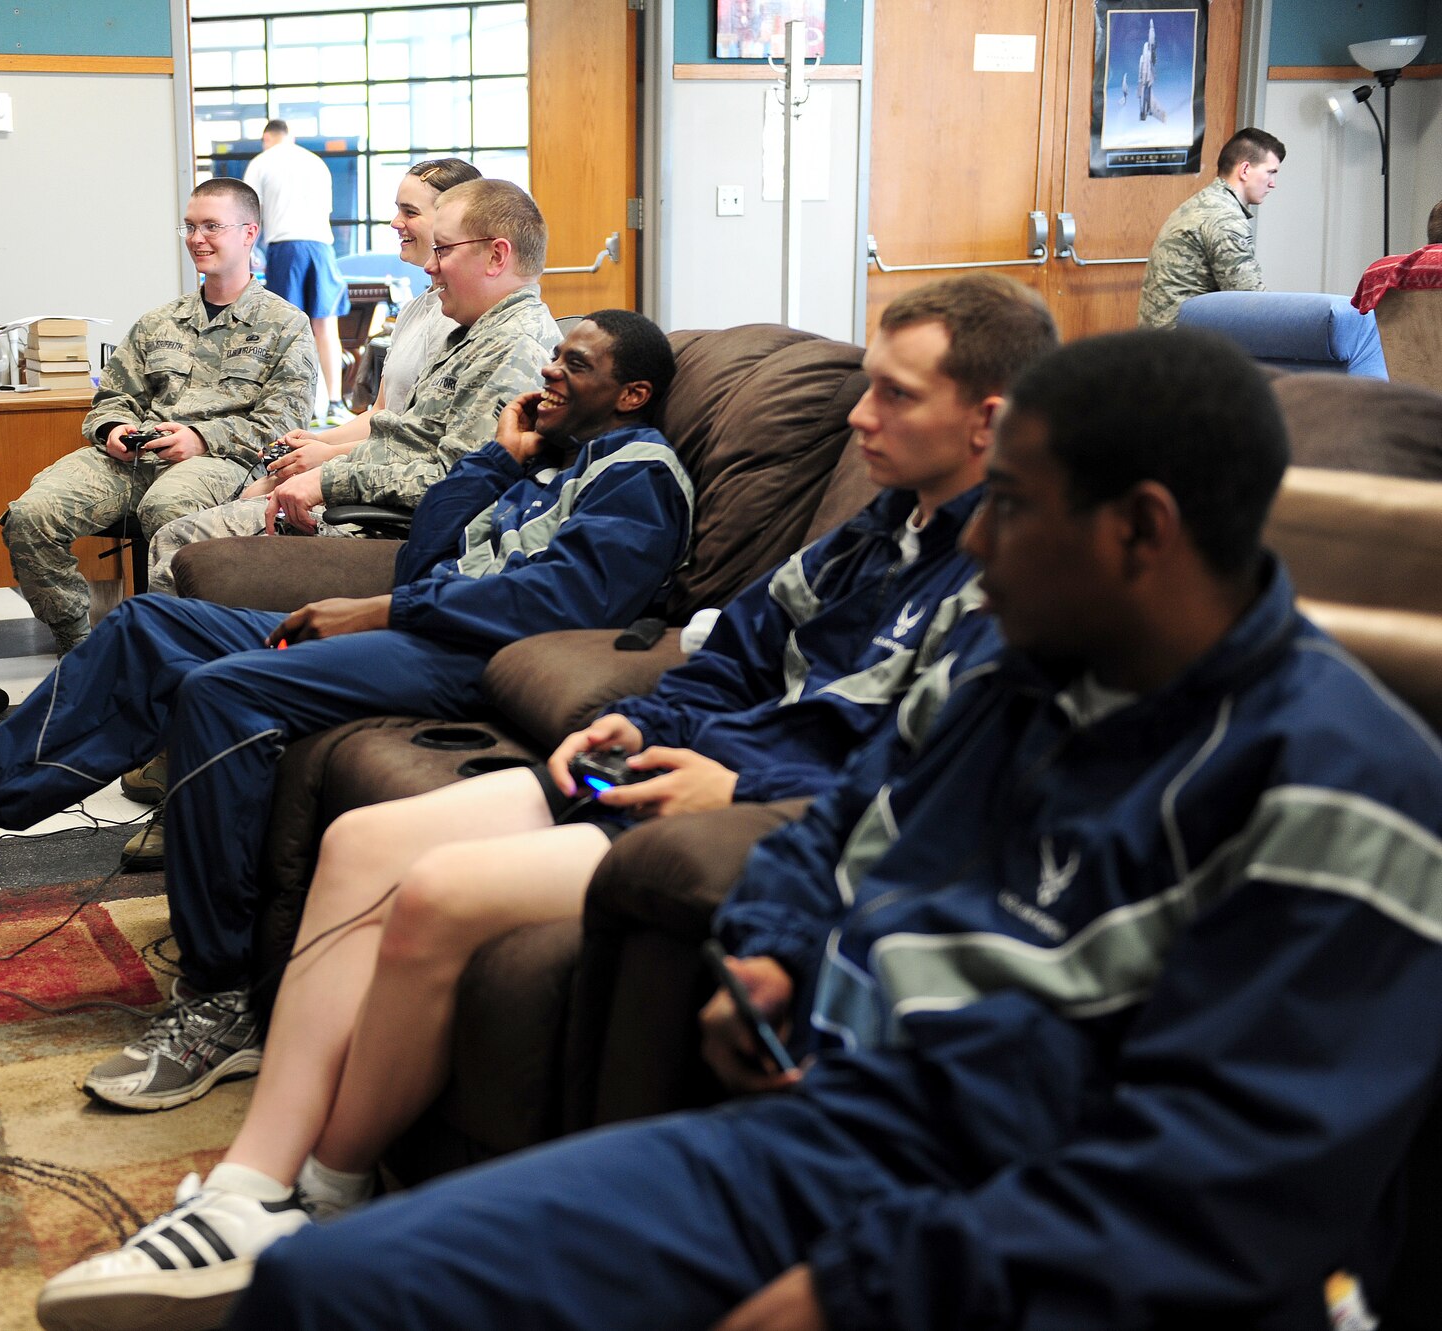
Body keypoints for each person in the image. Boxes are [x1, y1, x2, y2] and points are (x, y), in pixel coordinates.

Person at [225, 327, 1442, 1331]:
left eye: (1009, 508)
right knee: (321, 1287)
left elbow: (1213, 1197)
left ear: (1140, 532)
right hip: (841, 1148)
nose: (970, 542)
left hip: (1056, 1243)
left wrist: (863, 1287)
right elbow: (841, 828)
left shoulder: (1341, 786)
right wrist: (772, 943)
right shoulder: (1010, 674)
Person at [27, 274, 1061, 1331]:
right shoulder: (875, 528)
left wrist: (740, 781)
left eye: (893, 395)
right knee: (361, 839)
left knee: (434, 889)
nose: (857, 413)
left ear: (986, 420)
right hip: (684, 766)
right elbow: (736, 650)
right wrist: (646, 724)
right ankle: (249, 1189)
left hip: (747, 805)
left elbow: (925, 762)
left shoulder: (1015, 572)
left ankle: (327, 1193)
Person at [0, 312, 693, 1112]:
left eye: (573, 364)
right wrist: (496, 461)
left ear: (632, 394)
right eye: (555, 356)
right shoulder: (547, 458)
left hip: (468, 660)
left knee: (223, 689)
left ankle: (225, 995)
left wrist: (384, 611)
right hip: (429, 625)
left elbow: (562, 602)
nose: (548, 371)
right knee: (149, 625)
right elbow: (425, 554)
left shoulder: (641, 479)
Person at [145, 177, 561, 580]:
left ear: (496, 256)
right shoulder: (471, 333)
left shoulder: (513, 349)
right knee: (196, 526)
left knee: (182, 545)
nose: (431, 266)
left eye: (444, 250)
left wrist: (326, 479)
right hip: (368, 496)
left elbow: (457, 482)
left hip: (393, 530)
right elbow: (400, 437)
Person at [1, 177, 317, 654]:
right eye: (189, 227)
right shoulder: (159, 321)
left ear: (249, 234)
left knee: (168, 511)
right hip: (133, 457)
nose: (197, 239)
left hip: (223, 462)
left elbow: (283, 426)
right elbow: (110, 397)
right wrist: (113, 429)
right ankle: (81, 645)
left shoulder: (285, 325)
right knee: (31, 516)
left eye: (212, 226)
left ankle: (173, 651)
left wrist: (200, 439)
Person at [243, 119, 350, 414]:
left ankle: (295, 406)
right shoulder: (316, 162)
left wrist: (250, 251)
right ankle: (335, 402)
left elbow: (250, 212)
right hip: (321, 247)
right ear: (291, 137)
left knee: (288, 329)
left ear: (267, 138)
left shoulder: (262, 161)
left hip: (286, 247)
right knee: (326, 327)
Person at [1138, 127, 1284, 328]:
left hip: (1163, 340)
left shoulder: (1204, 203)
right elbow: (1252, 302)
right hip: (1185, 347)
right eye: (1270, 173)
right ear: (1245, 170)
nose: (1272, 184)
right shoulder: (1224, 217)